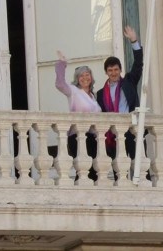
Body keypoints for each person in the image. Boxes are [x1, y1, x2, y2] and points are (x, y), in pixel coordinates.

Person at [96, 25, 143, 164]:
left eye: (116, 69)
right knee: (118, 167)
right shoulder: (100, 94)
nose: (113, 73)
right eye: (110, 70)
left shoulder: (129, 81)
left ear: (120, 70)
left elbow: (138, 64)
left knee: (138, 164)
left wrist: (134, 41)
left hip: (131, 129)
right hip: (113, 134)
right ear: (106, 72)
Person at [54, 51, 100, 181]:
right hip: (77, 136)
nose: (85, 77)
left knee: (93, 171)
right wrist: (61, 64)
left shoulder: (94, 96)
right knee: (83, 170)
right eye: (81, 75)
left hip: (93, 137)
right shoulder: (73, 91)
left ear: (91, 77)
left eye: (87, 74)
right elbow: (59, 84)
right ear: (77, 79)